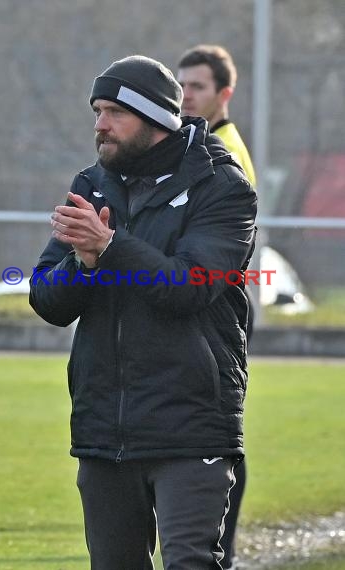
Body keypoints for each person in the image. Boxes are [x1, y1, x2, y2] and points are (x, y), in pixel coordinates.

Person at [29, 55, 257, 570]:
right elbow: (46, 298)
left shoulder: (222, 186)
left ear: (154, 119)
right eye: (96, 111)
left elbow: (191, 287)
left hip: (191, 424)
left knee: (191, 563)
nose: (99, 126)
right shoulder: (91, 184)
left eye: (114, 112)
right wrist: (83, 265)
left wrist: (109, 248)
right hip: (103, 428)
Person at [178, 44, 257, 570]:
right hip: (208, 299)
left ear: (224, 94)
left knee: (218, 428)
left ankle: (217, 546)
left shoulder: (222, 150)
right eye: (180, 85)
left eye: (198, 87)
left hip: (218, 303)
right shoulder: (198, 143)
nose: (185, 96)